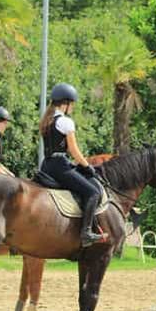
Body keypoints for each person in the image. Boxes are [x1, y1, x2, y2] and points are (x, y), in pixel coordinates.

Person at [38, 83, 105, 248]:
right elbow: (74, 150)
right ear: (65, 103)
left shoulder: (47, 120)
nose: (73, 107)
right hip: (60, 166)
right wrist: (87, 166)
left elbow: (60, 148)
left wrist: (76, 165)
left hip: (47, 165)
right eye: (72, 104)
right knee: (93, 192)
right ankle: (86, 233)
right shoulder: (66, 122)